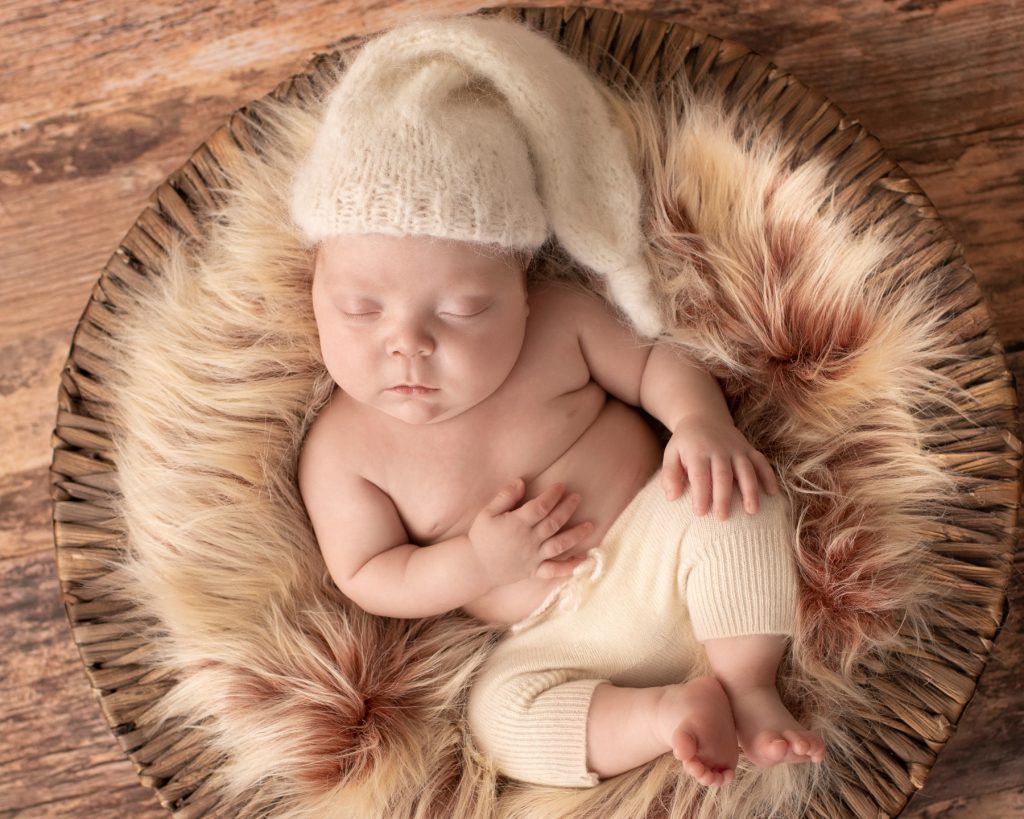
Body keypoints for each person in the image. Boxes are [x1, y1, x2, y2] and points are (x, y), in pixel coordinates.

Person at [291, 13, 825, 789]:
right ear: (314, 293)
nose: (406, 344)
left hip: (661, 538)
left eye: (461, 310)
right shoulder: (343, 451)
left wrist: (699, 423)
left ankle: (749, 684)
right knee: (499, 716)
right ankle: (666, 713)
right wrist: (475, 560)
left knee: (735, 494)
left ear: (520, 284)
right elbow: (369, 571)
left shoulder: (562, 323)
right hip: (556, 635)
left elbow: (654, 368)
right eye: (360, 310)